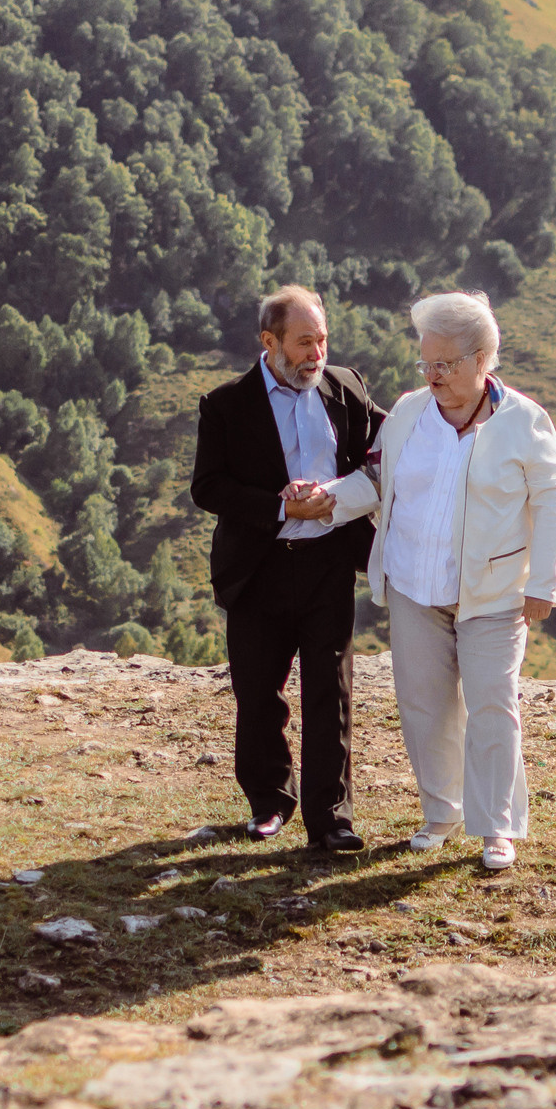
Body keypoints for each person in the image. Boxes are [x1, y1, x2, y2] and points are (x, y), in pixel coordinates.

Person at [310, 290, 556, 872]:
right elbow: (374, 479)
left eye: (445, 365)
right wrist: (324, 499)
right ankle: (441, 813)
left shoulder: (524, 421)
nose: (432, 376)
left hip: (494, 593)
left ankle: (496, 827)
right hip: (413, 587)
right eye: (425, 363)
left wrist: (543, 581)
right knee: (424, 706)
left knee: (491, 705)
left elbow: (553, 497)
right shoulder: (407, 413)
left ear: (483, 360)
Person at [189, 285, 384, 852]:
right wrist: (281, 505)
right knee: (259, 695)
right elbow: (209, 487)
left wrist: (351, 492)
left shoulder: (345, 387)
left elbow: (389, 440)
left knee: (332, 693)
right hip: (259, 568)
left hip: (328, 563)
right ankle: (269, 802)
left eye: (322, 339)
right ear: (269, 342)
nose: (316, 353)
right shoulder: (225, 403)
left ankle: (331, 820)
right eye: (304, 342)